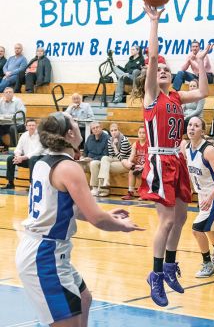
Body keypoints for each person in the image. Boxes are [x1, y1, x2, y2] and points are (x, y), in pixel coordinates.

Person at [15, 111, 143, 326]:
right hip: (44, 256)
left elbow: (60, 208)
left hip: (45, 250)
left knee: (84, 299)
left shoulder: (41, 162)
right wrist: (120, 225)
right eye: (74, 122)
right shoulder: (69, 167)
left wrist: (106, 214)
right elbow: (97, 219)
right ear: (70, 134)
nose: (78, 125)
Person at [131, 4, 212, 307]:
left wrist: (200, 64)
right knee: (165, 222)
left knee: (180, 216)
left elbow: (203, 92)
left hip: (175, 159)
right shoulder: (151, 95)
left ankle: (168, 266)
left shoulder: (176, 96)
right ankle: (154, 275)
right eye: (159, 70)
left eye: (167, 69)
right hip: (158, 159)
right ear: (150, 79)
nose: (163, 71)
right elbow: (152, 57)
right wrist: (154, 22)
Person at [183, 116, 214, 278]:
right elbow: (191, 173)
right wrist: (189, 190)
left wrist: (210, 197)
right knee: (209, 226)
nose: (192, 128)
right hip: (203, 194)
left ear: (202, 131)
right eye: (190, 125)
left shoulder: (208, 150)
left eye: (196, 126)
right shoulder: (186, 148)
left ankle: (208, 264)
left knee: (197, 229)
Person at [1, 119, 44, 189]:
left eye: (33, 125)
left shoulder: (41, 135)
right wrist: (17, 156)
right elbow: (18, 148)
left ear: (36, 126)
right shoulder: (24, 135)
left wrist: (23, 157)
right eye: (29, 125)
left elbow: (38, 151)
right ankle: (10, 183)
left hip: (38, 159)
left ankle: (32, 185)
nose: (31, 127)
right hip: (26, 158)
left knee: (32, 159)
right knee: (10, 158)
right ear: (26, 127)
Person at [94, 123, 132, 196]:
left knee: (104, 165)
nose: (114, 132)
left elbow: (121, 157)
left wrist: (114, 146)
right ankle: (106, 181)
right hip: (116, 159)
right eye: (112, 131)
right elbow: (111, 155)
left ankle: (103, 190)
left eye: (115, 130)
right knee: (104, 158)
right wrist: (112, 147)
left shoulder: (124, 140)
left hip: (125, 162)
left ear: (119, 130)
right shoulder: (110, 140)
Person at [81, 121, 109, 196]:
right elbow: (85, 151)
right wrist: (82, 157)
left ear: (101, 128)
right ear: (91, 130)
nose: (95, 129)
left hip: (99, 161)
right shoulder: (90, 138)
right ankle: (78, 188)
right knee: (76, 164)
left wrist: (92, 159)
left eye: (97, 127)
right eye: (93, 128)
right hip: (88, 160)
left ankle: (95, 188)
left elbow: (106, 154)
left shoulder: (107, 138)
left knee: (93, 164)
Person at [121, 125, 148, 200]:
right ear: (138, 134)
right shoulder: (135, 144)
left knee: (143, 172)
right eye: (140, 132)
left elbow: (150, 159)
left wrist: (143, 166)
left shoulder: (149, 144)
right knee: (131, 171)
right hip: (138, 166)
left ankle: (145, 194)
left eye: (143, 133)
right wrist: (129, 162)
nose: (141, 134)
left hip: (147, 166)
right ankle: (131, 192)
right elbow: (132, 156)